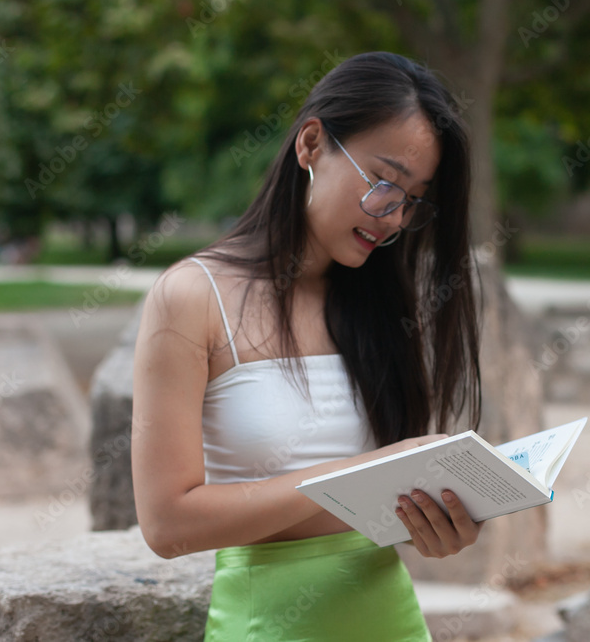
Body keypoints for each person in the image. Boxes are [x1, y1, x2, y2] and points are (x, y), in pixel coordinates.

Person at [131, 51, 485, 641]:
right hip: (266, 622)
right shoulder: (193, 297)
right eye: (383, 184)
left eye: (413, 200)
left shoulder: (381, 306)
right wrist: (355, 472)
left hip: (388, 618)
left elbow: (383, 499)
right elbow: (168, 526)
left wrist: (442, 523)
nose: (393, 218)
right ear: (311, 144)